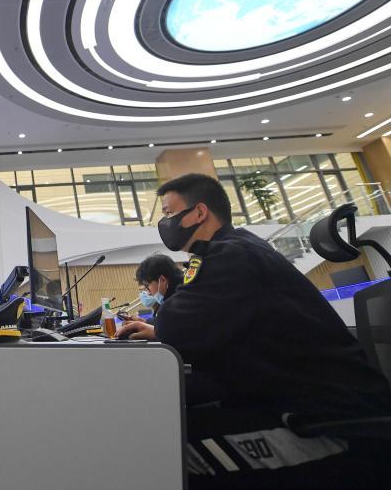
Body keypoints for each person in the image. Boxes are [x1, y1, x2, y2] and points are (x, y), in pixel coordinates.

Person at [121, 172, 391, 487]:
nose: (165, 222)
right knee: (174, 426)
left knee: (163, 449)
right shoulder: (238, 248)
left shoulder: (230, 255)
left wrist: (162, 328)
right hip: (298, 402)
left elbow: (175, 325)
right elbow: (194, 328)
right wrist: (161, 330)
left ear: (199, 212)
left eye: (169, 213)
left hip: (329, 424)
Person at [115, 253, 183, 339]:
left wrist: (156, 333)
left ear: (162, 280)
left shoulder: (181, 303)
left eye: (147, 286)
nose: (148, 293)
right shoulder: (175, 299)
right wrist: (145, 322)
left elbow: (182, 332)